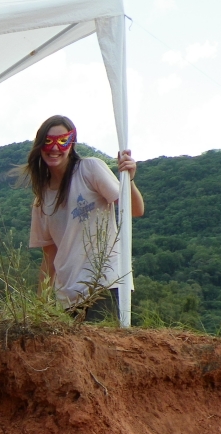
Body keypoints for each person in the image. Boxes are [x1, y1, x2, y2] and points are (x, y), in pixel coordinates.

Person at [26, 115, 145, 321]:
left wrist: (130, 179)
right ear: (39, 146)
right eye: (48, 141)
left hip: (106, 283)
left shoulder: (89, 169)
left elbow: (134, 209)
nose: (55, 148)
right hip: (68, 297)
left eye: (63, 141)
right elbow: (49, 258)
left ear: (72, 144)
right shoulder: (41, 199)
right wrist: (40, 306)